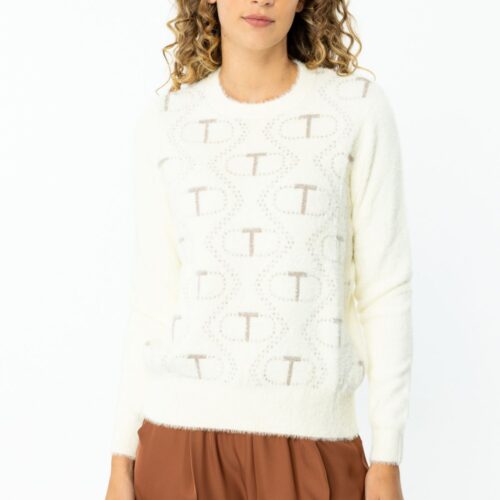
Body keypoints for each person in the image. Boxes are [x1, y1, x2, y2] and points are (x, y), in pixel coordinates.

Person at [105, 1, 413, 499]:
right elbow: (153, 303)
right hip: (178, 443)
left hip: (314, 443)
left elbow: (386, 291)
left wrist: (387, 457)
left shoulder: (356, 110)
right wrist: (121, 458)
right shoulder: (166, 124)